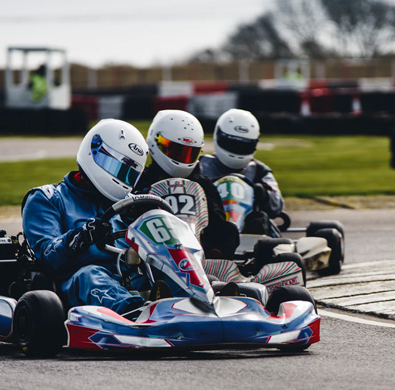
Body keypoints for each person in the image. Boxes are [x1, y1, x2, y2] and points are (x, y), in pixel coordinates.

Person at [22, 119, 148, 314]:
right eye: (117, 169)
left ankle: (196, 303)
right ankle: (134, 315)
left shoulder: (132, 205)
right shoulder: (47, 198)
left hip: (127, 277)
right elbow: (47, 256)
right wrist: (80, 237)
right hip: (74, 284)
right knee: (91, 275)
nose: (122, 180)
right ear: (95, 154)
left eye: (128, 174)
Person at [133, 109, 238, 257]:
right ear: (156, 142)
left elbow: (217, 223)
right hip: (151, 253)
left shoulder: (203, 185)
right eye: (176, 151)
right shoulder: (140, 182)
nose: (182, 159)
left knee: (228, 230)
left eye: (189, 153)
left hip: (199, 254)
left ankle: (210, 264)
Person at [197, 108, 285, 233]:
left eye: (244, 146)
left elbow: (277, 206)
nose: (236, 150)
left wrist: (263, 195)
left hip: (249, 231)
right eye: (232, 144)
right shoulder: (200, 166)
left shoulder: (259, 170)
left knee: (261, 218)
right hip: (207, 228)